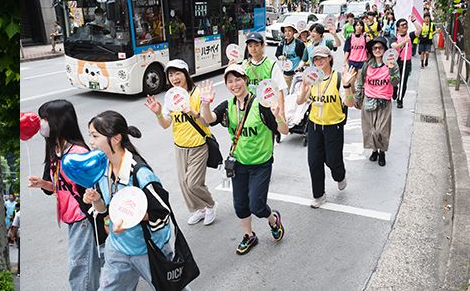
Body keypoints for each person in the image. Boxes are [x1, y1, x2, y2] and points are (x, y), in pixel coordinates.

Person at [80, 111, 190, 290]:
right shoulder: (102, 168)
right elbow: (105, 211)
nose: (91, 141)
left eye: (95, 136)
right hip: (117, 249)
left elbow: (162, 214)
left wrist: (131, 218)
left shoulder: (141, 175)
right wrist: (96, 200)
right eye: (90, 136)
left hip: (148, 251)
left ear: (115, 139)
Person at [200, 64, 287, 254]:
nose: (234, 84)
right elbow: (209, 119)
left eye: (237, 79)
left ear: (245, 80)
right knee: (240, 204)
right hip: (238, 163)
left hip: (261, 164)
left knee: (257, 205)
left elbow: (284, 130)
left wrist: (278, 116)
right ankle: (249, 235)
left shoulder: (261, 105)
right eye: (229, 81)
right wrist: (205, 104)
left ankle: (273, 219)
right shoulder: (228, 105)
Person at [26, 99, 106, 291]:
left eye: (45, 118)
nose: (41, 123)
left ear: (59, 121)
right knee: (86, 266)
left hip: (83, 218)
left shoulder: (78, 152)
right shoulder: (55, 149)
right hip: (71, 218)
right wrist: (43, 183)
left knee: (80, 270)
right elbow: (60, 186)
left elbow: (88, 188)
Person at [143, 60, 218, 226]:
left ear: (186, 74)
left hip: (198, 144)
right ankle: (199, 210)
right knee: (184, 184)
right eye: (170, 74)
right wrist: (158, 114)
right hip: (180, 145)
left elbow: (206, 122)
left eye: (177, 73)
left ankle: (211, 204)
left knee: (193, 183)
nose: (174, 77)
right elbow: (165, 125)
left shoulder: (198, 93)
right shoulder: (171, 96)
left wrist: (193, 112)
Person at [296, 46, 357, 208]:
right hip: (314, 126)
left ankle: (340, 176)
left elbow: (349, 103)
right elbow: (299, 102)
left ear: (330, 58)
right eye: (316, 59)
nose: (319, 61)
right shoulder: (312, 78)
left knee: (333, 160)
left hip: (334, 127)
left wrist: (346, 86)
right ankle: (319, 195)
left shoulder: (338, 78)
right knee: (314, 161)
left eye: (322, 58)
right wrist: (303, 91)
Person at [356, 37, 400, 167]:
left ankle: (382, 152)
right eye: (374, 48)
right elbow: (361, 82)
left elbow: (395, 82)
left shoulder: (392, 64)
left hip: (384, 102)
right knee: (370, 129)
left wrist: (391, 70)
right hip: (369, 101)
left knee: (381, 130)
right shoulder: (367, 65)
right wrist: (357, 98)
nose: (377, 50)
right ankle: (374, 151)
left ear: (385, 50)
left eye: (380, 48)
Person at [389, 16, 423, 108]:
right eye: (402, 25)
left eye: (406, 24)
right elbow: (394, 46)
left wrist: (413, 20)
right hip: (396, 62)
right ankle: (394, 91)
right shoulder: (394, 37)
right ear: (398, 27)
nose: (405, 26)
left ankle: (400, 99)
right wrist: (404, 42)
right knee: (395, 80)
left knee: (403, 82)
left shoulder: (410, 36)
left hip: (406, 62)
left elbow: (419, 29)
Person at [276, 22, 306, 87]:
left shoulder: (299, 43)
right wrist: (280, 57)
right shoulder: (281, 43)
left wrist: (301, 66)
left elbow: (305, 57)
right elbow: (277, 55)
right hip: (286, 74)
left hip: (297, 74)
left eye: (289, 30)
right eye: (285, 31)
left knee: (297, 93)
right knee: (289, 94)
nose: (287, 33)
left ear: (294, 31)